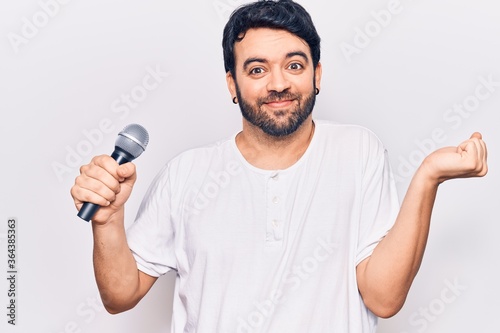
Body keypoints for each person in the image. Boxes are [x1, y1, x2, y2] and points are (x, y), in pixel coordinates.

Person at [70, 0, 488, 332]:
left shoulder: (357, 151)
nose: (279, 84)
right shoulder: (187, 174)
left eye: (294, 64)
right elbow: (120, 296)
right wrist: (106, 221)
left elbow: (383, 297)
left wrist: (429, 176)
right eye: (257, 69)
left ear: (316, 74)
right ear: (232, 84)